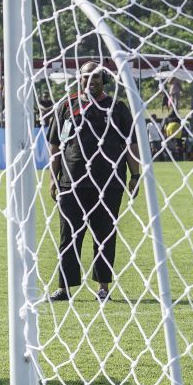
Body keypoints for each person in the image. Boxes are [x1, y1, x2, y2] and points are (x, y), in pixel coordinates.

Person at [46, 62, 141, 302]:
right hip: (71, 183)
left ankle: (103, 287)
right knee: (68, 236)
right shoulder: (66, 106)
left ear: (104, 80)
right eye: (86, 75)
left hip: (108, 183)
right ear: (79, 78)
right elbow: (55, 145)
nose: (91, 80)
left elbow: (130, 143)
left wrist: (135, 175)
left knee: (104, 235)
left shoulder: (117, 108)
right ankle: (64, 288)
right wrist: (52, 178)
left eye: (96, 76)